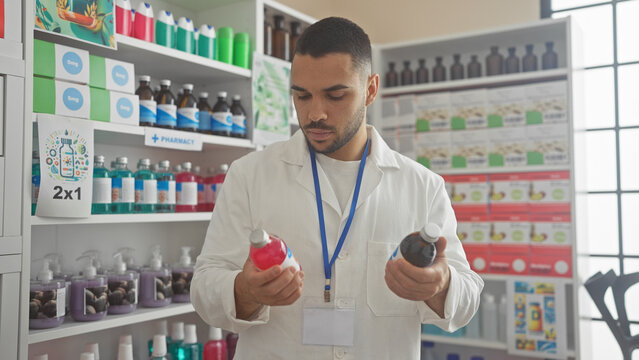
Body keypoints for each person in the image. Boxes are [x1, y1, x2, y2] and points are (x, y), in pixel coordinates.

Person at [192, 17, 483, 359]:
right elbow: (204, 289)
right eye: (301, 96)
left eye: (335, 96)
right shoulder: (249, 175)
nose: (315, 113)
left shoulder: (422, 186)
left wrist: (441, 285)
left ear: (370, 90)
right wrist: (244, 290)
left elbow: (467, 301)